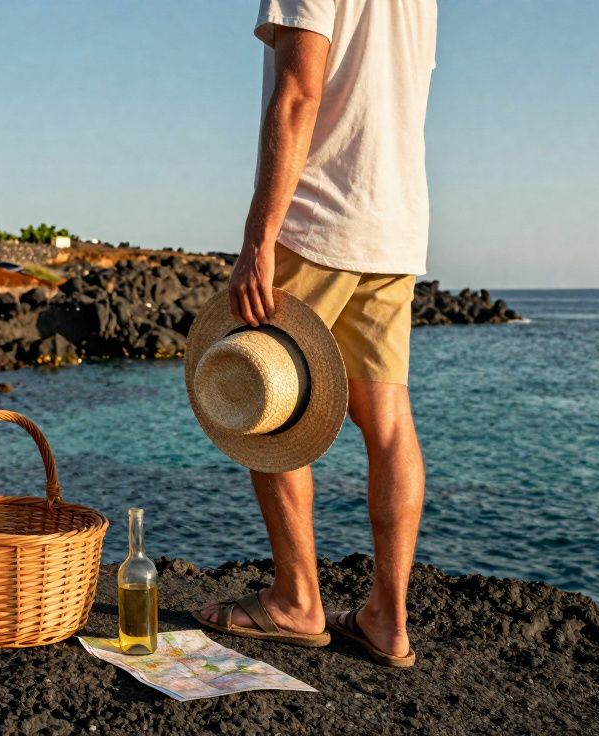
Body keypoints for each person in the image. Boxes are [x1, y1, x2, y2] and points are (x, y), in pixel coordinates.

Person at [197, 0, 437, 667]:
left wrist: (258, 240)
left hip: (318, 218)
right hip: (396, 223)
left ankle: (297, 600)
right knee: (388, 418)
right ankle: (388, 618)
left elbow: (299, 93)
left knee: (260, 397)